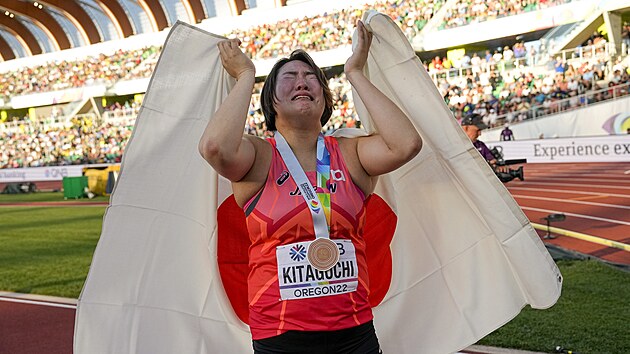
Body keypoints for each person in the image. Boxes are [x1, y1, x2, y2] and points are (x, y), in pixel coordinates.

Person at [199, 20, 422, 354]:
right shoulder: (259, 156)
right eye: (289, 77)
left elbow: (406, 144)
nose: (302, 81)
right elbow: (215, 147)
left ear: (324, 98)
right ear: (271, 101)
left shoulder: (351, 152)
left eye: (311, 77)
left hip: (355, 331)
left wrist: (356, 73)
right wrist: (246, 75)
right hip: (280, 334)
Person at [461, 114, 523, 183]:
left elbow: (492, 160)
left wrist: (499, 166)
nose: (480, 134)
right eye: (477, 130)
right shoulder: (454, 145)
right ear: (465, 128)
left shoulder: (480, 145)